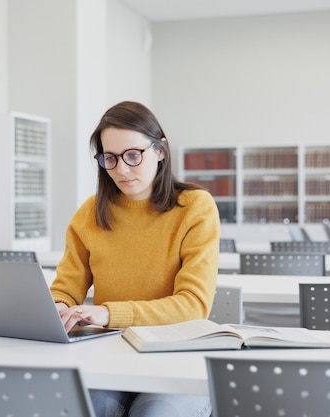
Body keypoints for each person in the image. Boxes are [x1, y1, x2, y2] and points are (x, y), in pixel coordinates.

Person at [50, 100, 220, 417]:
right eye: (110, 158)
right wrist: (59, 307)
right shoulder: (90, 213)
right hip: (108, 354)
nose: (122, 170)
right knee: (80, 408)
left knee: (154, 413)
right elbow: (65, 288)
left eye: (132, 155)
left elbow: (193, 305)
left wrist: (107, 314)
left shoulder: (196, 206)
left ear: (160, 150)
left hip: (176, 356)